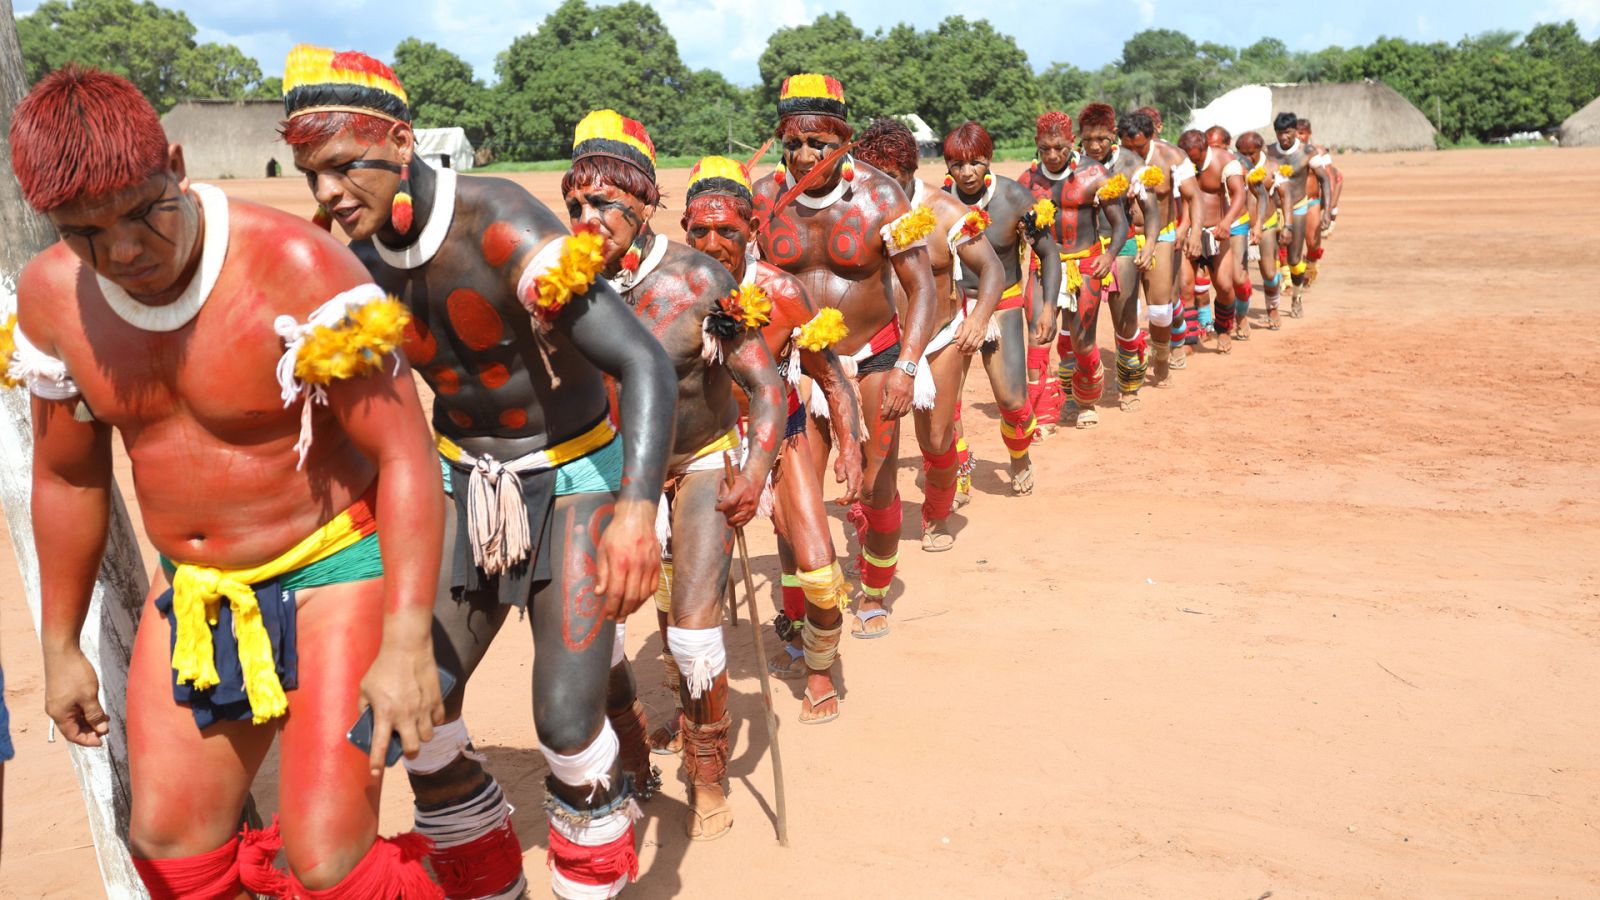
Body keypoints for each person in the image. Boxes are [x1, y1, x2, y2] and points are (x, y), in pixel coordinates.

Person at [10, 64, 446, 897]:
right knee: (172, 850)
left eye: (143, 212)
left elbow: (403, 455)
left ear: (176, 164)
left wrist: (406, 636)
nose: (125, 250)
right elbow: (68, 478)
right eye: (84, 233)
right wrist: (60, 646)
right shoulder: (52, 299)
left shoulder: (296, 268)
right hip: (199, 590)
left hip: (334, 571)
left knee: (328, 860)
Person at [280, 47, 675, 899]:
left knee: (567, 724)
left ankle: (593, 876)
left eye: (347, 166)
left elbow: (645, 363)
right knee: (411, 705)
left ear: (402, 139)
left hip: (577, 483)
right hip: (463, 485)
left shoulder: (502, 226)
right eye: (312, 174)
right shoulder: (346, 262)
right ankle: (490, 879)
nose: (329, 194)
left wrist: (639, 511)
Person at [561, 110, 784, 841]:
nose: (589, 219)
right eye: (576, 205)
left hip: (700, 460)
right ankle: (629, 748)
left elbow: (766, 385)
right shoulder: (560, 283)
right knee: (601, 640)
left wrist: (754, 468)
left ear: (644, 200)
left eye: (605, 204)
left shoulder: (698, 278)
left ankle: (708, 769)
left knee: (691, 638)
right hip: (609, 466)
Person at [752, 74, 938, 639]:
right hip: (801, 367)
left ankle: (876, 591)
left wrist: (907, 365)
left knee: (878, 483)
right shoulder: (763, 198)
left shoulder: (883, 197)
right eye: (793, 143)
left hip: (876, 357)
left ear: (844, 141)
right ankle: (801, 607)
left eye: (819, 144)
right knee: (796, 493)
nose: (804, 155)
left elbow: (923, 288)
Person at [680, 154, 863, 723]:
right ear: (683, 230)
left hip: (779, 437)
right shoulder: (662, 292)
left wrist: (851, 445)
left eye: (726, 231)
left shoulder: (782, 293)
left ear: (752, 231)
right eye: (699, 230)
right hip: (698, 449)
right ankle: (692, 709)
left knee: (820, 573)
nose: (712, 242)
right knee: (677, 591)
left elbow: (829, 374)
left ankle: (817, 669)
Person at [939, 120, 1059, 493]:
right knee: (946, 405)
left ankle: (1019, 454)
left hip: (1003, 304)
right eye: (957, 165)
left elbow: (1048, 253)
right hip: (951, 308)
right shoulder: (937, 202)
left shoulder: (1015, 198)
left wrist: (1049, 307)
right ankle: (957, 474)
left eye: (975, 162)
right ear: (947, 167)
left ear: (988, 159)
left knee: (1011, 399)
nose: (967, 172)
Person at [1020, 108, 1127, 428]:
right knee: (1039, 337)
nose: (1053, 155)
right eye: (1045, 149)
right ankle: (1043, 414)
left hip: (1085, 264)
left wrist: (1109, 257)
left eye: (1061, 148)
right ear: (1037, 144)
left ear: (1073, 142)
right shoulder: (1027, 181)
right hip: (1042, 266)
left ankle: (1086, 401)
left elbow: (1120, 224)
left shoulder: (1095, 175)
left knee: (1082, 341)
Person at [1113, 109, 1199, 384]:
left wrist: (1193, 232)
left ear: (1151, 136)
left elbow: (1193, 196)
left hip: (1161, 235)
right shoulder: (1112, 159)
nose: (1134, 153)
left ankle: (1161, 355)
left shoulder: (1172, 157)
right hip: (1124, 238)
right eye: (1128, 147)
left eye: (1139, 146)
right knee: (1125, 310)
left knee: (1161, 309)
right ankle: (1129, 363)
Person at [1178, 129, 1248, 353]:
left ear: (1205, 149)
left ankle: (1224, 328)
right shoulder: (1180, 162)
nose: (1193, 163)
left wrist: (1227, 222)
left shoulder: (1226, 161)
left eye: (1196, 158)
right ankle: (1189, 339)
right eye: (1189, 158)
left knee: (1225, 286)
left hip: (1216, 232)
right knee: (1186, 287)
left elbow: (1239, 194)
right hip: (1189, 232)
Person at [1265, 112, 1333, 318]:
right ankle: (1273, 304)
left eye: (1287, 132)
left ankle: (1296, 296)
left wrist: (1327, 210)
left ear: (1295, 131)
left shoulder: (1307, 152)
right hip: (1273, 209)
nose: (1283, 137)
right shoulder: (1268, 152)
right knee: (1270, 258)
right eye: (1279, 133)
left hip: (1298, 207)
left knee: (1295, 258)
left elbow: (1325, 180)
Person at [1234, 131, 1292, 330]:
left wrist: (1288, 226)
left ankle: (1272, 309)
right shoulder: (1234, 166)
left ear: (1260, 149)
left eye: (1251, 153)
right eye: (1242, 153)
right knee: (1239, 277)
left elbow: (1285, 197)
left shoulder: (1274, 167)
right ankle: (1241, 317)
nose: (1247, 157)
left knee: (1269, 272)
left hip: (1267, 224)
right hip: (1240, 226)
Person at [1296, 118, 1342, 284]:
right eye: (1296, 133)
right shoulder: (1287, 154)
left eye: (1302, 133)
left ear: (1309, 134)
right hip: (1292, 204)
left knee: (1313, 242)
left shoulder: (1319, 152)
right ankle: (1288, 279)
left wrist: (1328, 209)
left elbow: (1329, 180)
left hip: (1312, 201)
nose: (1299, 136)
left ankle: (1310, 267)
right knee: (1287, 242)